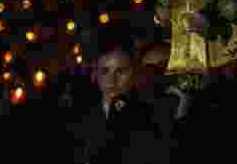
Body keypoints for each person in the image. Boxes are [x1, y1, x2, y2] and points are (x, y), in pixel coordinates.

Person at [69, 36, 173, 164]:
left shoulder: (151, 116)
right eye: (105, 71)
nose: (111, 80)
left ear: (134, 74)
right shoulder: (78, 120)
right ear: (95, 74)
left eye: (121, 71)